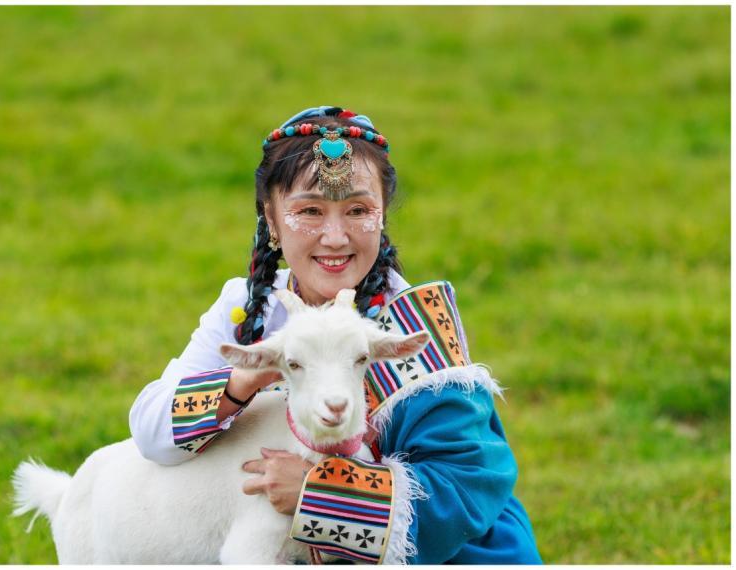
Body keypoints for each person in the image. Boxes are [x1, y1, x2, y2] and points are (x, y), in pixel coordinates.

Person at [129, 106, 543, 564]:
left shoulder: (411, 326)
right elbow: (150, 432)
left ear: (382, 216)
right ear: (271, 217)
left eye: (357, 210)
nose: (334, 236)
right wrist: (241, 381)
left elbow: (464, 486)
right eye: (309, 210)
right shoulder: (248, 311)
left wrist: (315, 494)